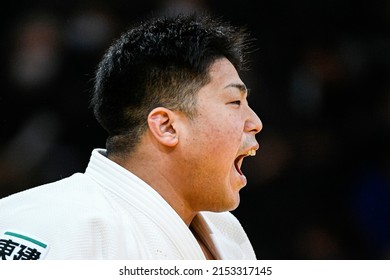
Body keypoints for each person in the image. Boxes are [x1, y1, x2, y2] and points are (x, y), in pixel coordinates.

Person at [0, 11, 262, 260]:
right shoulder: (40, 226)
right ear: (167, 127)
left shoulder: (227, 231)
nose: (255, 123)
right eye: (234, 102)